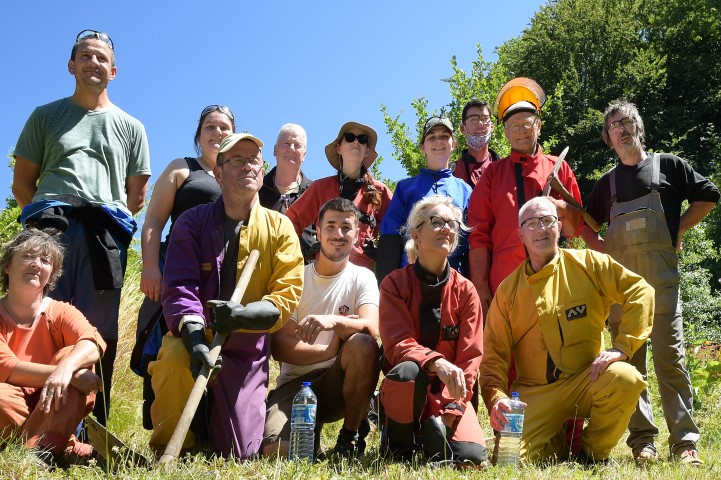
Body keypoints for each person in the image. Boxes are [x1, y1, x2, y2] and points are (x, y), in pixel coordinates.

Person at [12, 29, 151, 425]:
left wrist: (109, 221)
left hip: (103, 234)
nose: (94, 64)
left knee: (99, 329)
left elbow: (136, 196)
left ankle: (92, 427)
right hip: (49, 227)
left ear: (114, 70)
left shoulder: (131, 127)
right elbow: (23, 183)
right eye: (86, 56)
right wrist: (42, 226)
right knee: (39, 316)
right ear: (71, 65)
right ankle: (30, 417)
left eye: (102, 58)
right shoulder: (45, 116)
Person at [148, 132, 304, 458]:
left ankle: (211, 419)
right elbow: (179, 287)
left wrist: (243, 316)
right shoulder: (191, 223)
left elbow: (286, 296)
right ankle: (173, 447)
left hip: (248, 348)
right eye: (236, 160)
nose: (247, 166)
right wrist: (195, 340)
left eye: (254, 160)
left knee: (239, 452)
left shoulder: (280, 229)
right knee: (176, 358)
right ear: (218, 172)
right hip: (195, 335)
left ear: (263, 172)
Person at [582, 99, 720, 466]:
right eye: (614, 125)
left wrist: (679, 228)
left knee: (671, 360)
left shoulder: (669, 166)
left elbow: (709, 197)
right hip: (622, 292)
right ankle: (643, 442)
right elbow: (586, 226)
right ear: (608, 139)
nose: (622, 128)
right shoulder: (606, 184)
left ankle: (685, 443)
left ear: (639, 127)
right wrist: (604, 253)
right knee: (631, 365)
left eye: (627, 121)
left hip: (661, 286)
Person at [480, 196, 654, 465]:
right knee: (509, 463)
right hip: (535, 394)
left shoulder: (590, 264)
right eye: (532, 223)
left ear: (559, 228)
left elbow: (640, 290)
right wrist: (496, 399)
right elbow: (493, 359)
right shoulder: (507, 292)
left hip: (588, 378)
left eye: (548, 221)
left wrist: (622, 346)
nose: (541, 229)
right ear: (520, 234)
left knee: (626, 378)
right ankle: (554, 442)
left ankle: (592, 454)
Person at [131, 105, 233, 428]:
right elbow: (154, 220)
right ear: (198, 136)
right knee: (169, 343)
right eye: (210, 127)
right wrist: (150, 267)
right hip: (177, 273)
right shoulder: (182, 168)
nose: (217, 133)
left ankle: (208, 425)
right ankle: (168, 421)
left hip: (220, 276)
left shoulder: (239, 172)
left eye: (224, 127)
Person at [262, 198, 380, 459]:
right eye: (330, 226)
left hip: (340, 384)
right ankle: (308, 434)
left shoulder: (363, 277)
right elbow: (281, 347)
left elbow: (371, 327)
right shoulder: (295, 277)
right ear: (317, 229)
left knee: (363, 343)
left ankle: (349, 438)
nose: (338, 235)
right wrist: (329, 349)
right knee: (277, 452)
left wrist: (334, 322)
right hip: (296, 385)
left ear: (358, 234)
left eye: (346, 228)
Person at [379, 195, 488, 468]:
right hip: (409, 389)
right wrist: (437, 362)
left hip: (451, 395)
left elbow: (470, 359)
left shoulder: (466, 290)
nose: (447, 229)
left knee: (471, 459)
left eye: (452, 224)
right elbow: (397, 344)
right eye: (437, 222)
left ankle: (433, 433)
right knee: (406, 372)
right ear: (416, 234)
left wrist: (451, 412)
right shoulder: (394, 284)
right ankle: (399, 445)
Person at [467, 77, 582, 318]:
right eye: (513, 126)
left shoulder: (558, 168)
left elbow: (574, 229)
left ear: (538, 126)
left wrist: (559, 207)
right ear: (505, 132)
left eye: (526, 124)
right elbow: (478, 235)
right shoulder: (493, 175)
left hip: (555, 276)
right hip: (505, 280)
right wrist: (480, 286)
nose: (520, 131)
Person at [0, 229, 106, 467]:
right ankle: (57, 441)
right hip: (12, 402)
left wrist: (66, 370)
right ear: (7, 266)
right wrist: (71, 378)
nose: (37, 264)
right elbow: (6, 367)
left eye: (46, 261)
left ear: (51, 275)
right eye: (28, 256)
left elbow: (94, 342)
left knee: (73, 355)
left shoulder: (60, 311)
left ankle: (41, 450)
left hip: (56, 401)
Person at [376, 116, 473, 284]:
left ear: (453, 144)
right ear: (423, 147)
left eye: (444, 136)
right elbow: (390, 238)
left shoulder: (465, 191)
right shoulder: (405, 189)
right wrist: (385, 288)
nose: (438, 141)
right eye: (432, 137)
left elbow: (471, 243)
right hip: (410, 281)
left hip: (452, 281)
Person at [285, 122, 393, 270]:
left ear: (367, 151)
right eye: (349, 137)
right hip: (323, 273)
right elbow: (289, 223)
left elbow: (401, 229)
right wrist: (301, 252)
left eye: (362, 139)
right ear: (338, 148)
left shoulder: (380, 191)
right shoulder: (320, 188)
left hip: (361, 276)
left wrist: (382, 252)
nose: (356, 142)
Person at [258, 123, 314, 260]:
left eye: (297, 145)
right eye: (286, 143)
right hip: (263, 271)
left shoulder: (315, 192)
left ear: (304, 155)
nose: (291, 149)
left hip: (306, 273)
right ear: (275, 150)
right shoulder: (256, 190)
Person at [452, 99, 499, 188]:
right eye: (473, 119)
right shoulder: (453, 173)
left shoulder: (506, 169)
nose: (480, 124)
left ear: (492, 127)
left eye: (484, 118)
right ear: (463, 129)